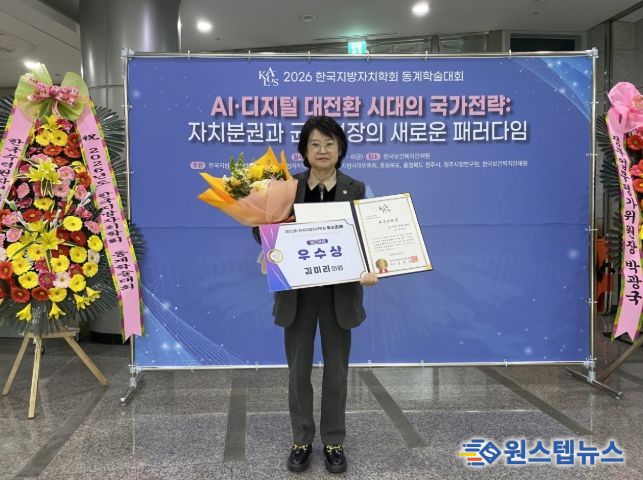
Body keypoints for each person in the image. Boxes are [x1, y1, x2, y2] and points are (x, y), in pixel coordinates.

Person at [254, 116, 378, 473]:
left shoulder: (358, 189)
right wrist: (268, 242)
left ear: (340, 149)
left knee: (337, 371)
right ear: (304, 151)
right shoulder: (286, 188)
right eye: (315, 144)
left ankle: (334, 440)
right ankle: (301, 439)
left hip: (341, 296)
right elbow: (262, 230)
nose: (322, 150)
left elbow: (372, 238)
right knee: (298, 372)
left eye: (329, 143)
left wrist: (373, 268)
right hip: (297, 295)